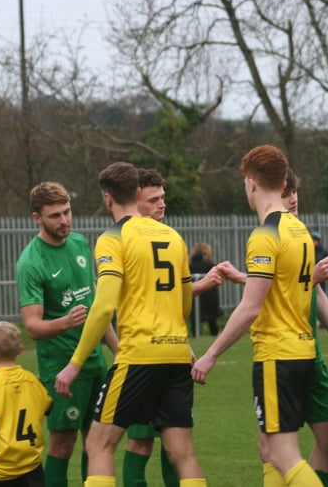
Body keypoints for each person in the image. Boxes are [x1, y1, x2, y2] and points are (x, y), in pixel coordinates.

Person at [55, 161, 206, 487]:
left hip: (139, 356)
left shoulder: (112, 239)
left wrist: (74, 364)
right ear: (138, 193)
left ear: (107, 198)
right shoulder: (173, 236)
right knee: (183, 454)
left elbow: (104, 305)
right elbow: (184, 301)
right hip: (177, 354)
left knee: (98, 444)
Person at [216, 166, 328, 487]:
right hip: (286, 348)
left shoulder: (293, 232)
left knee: (325, 439)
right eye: (285, 193)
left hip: (300, 351)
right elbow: (269, 290)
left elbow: (300, 292)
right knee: (274, 448)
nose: (291, 199)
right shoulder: (276, 235)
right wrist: (245, 278)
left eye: (294, 193)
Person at [191, 144, 323, 486]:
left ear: (250, 182)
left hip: (277, 355)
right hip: (302, 349)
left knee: (283, 454)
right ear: (283, 183)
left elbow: (251, 307)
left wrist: (210, 354)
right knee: (270, 449)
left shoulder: (265, 235)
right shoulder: (300, 231)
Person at [122, 168, 222, 487]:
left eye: (163, 197)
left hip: (170, 349)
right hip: (140, 352)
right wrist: (202, 286)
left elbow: (168, 296)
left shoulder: (170, 236)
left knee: (174, 444)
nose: (161, 204)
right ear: (133, 199)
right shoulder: (125, 239)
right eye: (153, 199)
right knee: (140, 442)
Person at [16, 181, 117, 487]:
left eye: (67, 212)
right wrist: (65, 322)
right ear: (37, 218)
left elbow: (98, 309)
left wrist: (118, 349)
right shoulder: (31, 263)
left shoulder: (80, 244)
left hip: (96, 364)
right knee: (62, 444)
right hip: (60, 369)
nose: (64, 221)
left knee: (97, 441)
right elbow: (32, 326)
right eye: (55, 216)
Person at [0, 321, 53, 487]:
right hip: (32, 462)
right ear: (20, 350)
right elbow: (47, 406)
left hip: (3, 466)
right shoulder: (32, 380)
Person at [189, 242, 223, 336]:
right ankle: (215, 334)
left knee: (195, 320)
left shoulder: (190, 266)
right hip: (210, 296)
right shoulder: (211, 265)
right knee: (212, 321)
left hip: (195, 295)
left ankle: (195, 335)